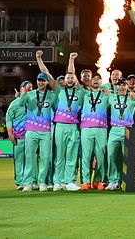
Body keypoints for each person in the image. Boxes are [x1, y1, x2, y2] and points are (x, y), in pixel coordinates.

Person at [19, 51, 59, 192]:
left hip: (46, 131)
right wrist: (24, 92)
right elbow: (19, 104)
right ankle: (29, 182)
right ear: (36, 81)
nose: (41, 82)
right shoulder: (29, 94)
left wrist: (39, 59)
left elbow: (56, 109)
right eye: (39, 80)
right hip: (31, 130)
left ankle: (42, 182)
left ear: (47, 82)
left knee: (46, 157)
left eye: (43, 80)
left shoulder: (53, 95)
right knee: (30, 156)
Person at [51, 53, 83, 192]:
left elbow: (72, 72)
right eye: (67, 78)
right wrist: (70, 59)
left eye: (72, 78)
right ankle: (57, 181)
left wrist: (71, 61)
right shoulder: (59, 90)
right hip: (60, 126)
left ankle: (69, 181)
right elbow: (69, 71)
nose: (70, 79)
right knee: (60, 155)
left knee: (72, 155)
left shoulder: (81, 92)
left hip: (73, 127)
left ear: (75, 80)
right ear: (63, 80)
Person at [105, 82, 135, 191]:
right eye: (119, 85)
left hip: (127, 129)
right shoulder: (112, 97)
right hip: (114, 130)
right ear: (117, 87)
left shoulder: (131, 97)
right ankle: (113, 181)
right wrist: (105, 90)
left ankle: (127, 180)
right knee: (111, 155)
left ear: (127, 87)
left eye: (123, 85)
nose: (121, 87)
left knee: (127, 157)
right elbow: (101, 90)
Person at [80, 73, 110, 191]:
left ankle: (100, 180)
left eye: (98, 79)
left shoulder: (106, 95)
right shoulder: (84, 94)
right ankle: (85, 182)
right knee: (86, 156)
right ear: (90, 82)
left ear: (101, 82)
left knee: (101, 156)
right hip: (86, 128)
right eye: (94, 79)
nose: (96, 80)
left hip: (101, 128)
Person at [5, 81, 30, 190]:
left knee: (31, 159)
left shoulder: (33, 102)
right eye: (26, 88)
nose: (28, 90)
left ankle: (29, 181)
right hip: (19, 136)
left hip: (31, 136)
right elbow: (9, 118)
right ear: (21, 90)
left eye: (30, 88)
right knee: (19, 160)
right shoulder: (15, 104)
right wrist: (10, 133)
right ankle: (20, 182)